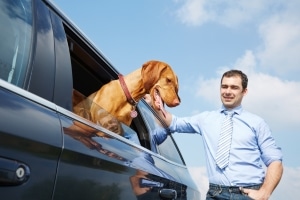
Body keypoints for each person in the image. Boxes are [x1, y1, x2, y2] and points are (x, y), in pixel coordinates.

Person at [155, 69, 283, 200]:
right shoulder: (205, 119)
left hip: (248, 193)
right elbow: (173, 123)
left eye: (234, 87)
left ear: (244, 91)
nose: (228, 91)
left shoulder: (257, 123)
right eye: (224, 86)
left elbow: (275, 161)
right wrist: (156, 102)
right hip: (215, 194)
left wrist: (264, 193)